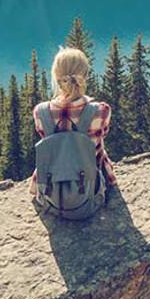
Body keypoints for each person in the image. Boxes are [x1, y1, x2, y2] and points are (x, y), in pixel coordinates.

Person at [31, 47, 117, 216]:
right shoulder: (100, 111)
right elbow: (101, 137)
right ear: (85, 76)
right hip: (89, 189)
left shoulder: (40, 112)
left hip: (50, 190)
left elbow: (45, 138)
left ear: (56, 78)